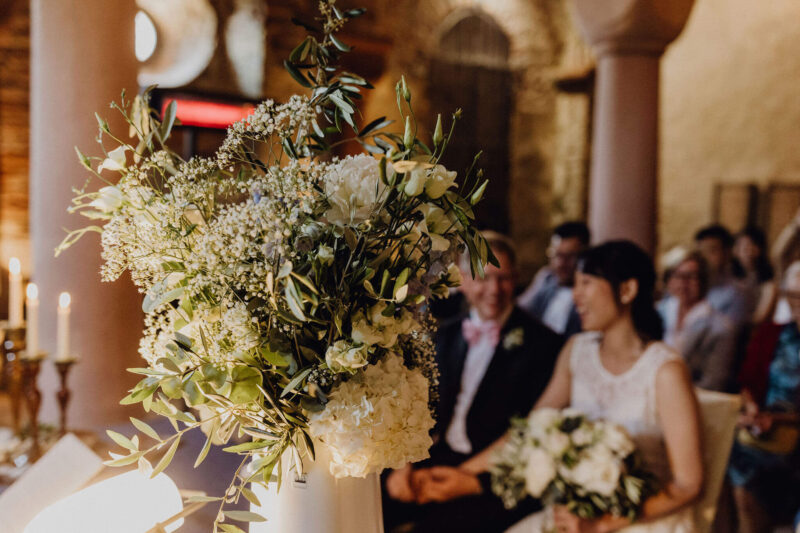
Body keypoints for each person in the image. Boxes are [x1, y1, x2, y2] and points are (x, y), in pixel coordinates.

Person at [412, 241, 704, 533]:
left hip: (641, 518)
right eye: (575, 284)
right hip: (578, 513)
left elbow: (688, 485)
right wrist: (461, 473)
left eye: (586, 283)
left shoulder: (665, 371)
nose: (575, 295)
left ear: (627, 290)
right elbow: (528, 431)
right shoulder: (577, 351)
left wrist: (601, 524)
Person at [382, 231, 564, 533]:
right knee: (369, 503)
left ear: (516, 279)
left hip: (492, 472)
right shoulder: (442, 335)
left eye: (504, 279)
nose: (495, 289)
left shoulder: (543, 345)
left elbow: (528, 431)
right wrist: (403, 467)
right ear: (463, 281)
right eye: (484, 278)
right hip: (434, 458)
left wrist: (466, 477)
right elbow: (416, 405)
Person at [727, 261, 800, 533]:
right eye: (792, 296)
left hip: (793, 429)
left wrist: (780, 419)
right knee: (737, 453)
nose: (797, 303)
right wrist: (752, 408)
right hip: (766, 429)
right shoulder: (772, 333)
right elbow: (747, 380)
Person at [658, 250, 738, 391]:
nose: (683, 283)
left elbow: (713, 383)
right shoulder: (657, 312)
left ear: (703, 281)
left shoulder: (721, 327)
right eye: (677, 275)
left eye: (691, 276)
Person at [518, 221, 589, 337]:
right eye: (557, 255)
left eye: (569, 256)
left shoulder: (589, 291)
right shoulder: (547, 277)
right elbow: (522, 308)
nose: (561, 263)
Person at [694, 224, 752, 325]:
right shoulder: (689, 286)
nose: (704, 257)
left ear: (727, 253)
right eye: (700, 252)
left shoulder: (736, 293)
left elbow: (730, 334)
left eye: (711, 251)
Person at [732, 226, 776, 325]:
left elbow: (761, 316)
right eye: (742, 245)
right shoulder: (730, 275)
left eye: (751, 244)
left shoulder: (767, 282)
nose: (747, 250)